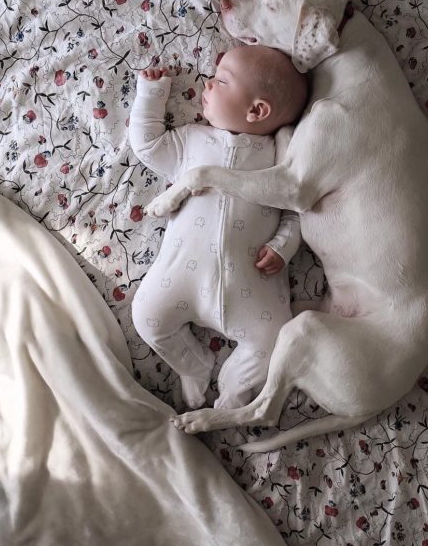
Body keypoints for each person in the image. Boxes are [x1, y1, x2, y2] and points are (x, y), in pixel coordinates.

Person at [129, 45, 308, 410]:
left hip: (250, 290)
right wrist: (150, 95)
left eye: (222, 80)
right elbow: (147, 146)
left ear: (257, 110)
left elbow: (295, 211)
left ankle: (232, 392)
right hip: (179, 277)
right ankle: (193, 365)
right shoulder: (191, 139)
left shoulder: (279, 156)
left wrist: (282, 245)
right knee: (146, 317)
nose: (207, 84)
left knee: (274, 339)